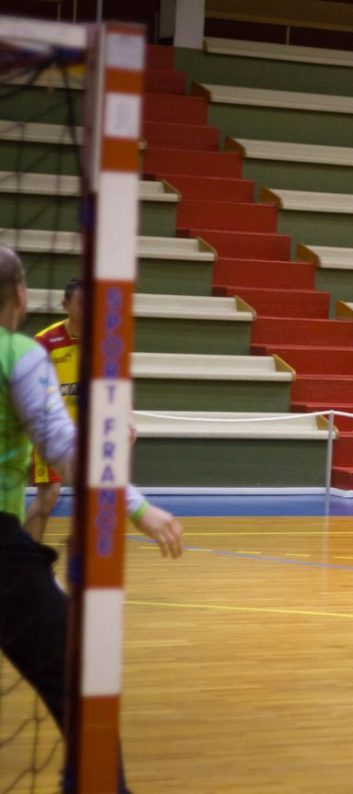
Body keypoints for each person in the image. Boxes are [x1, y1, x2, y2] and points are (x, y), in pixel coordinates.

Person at [0, 246, 184, 792]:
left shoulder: (94, 348)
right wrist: (137, 506)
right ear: (21, 296)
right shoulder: (22, 352)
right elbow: (64, 445)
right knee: (78, 680)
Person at [24, 277, 83, 542]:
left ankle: (83, 557)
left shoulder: (105, 340)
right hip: (50, 430)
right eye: (81, 303)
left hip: (88, 432)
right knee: (49, 495)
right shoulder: (45, 342)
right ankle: (24, 559)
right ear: (65, 305)